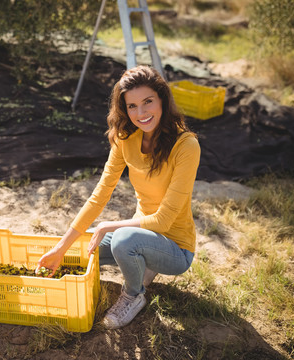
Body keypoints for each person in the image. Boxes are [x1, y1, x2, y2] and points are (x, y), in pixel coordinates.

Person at [36, 65, 200, 329]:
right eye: (132, 106)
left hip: (176, 247)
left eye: (148, 102)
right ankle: (143, 260)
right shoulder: (126, 139)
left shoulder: (186, 145)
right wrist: (60, 249)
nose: (141, 113)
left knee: (122, 239)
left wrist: (108, 226)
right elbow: (99, 195)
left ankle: (133, 295)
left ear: (163, 100)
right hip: (142, 233)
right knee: (83, 250)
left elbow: (164, 220)